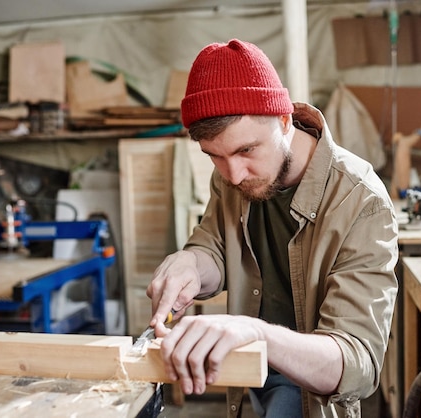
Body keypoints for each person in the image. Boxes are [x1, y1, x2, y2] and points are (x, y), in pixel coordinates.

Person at [146, 39, 398, 418]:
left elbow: (358, 364)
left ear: (284, 120)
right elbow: (216, 247)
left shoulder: (362, 201)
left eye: (246, 150)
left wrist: (257, 333)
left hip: (312, 390)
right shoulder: (232, 177)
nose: (233, 174)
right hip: (250, 376)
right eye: (214, 156)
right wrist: (192, 265)